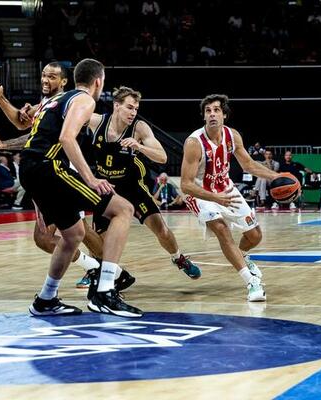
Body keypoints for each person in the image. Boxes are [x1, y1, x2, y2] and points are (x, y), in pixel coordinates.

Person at [0, 64, 124, 291]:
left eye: (52, 76)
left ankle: (108, 273)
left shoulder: (73, 100)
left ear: (65, 81)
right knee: (48, 237)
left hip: (62, 167)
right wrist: (0, 98)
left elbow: (62, 137)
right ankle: (103, 271)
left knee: (81, 229)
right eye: (44, 75)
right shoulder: (46, 103)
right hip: (46, 170)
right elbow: (25, 127)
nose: (45, 79)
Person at [20, 58, 141, 317]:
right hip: (47, 167)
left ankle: (45, 299)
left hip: (32, 169)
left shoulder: (56, 100)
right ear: (98, 81)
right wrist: (91, 179)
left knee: (74, 234)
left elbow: (30, 130)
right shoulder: (84, 99)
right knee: (123, 209)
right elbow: (66, 137)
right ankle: (105, 292)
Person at [85, 86, 201, 285]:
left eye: (136, 109)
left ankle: (178, 258)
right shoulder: (96, 121)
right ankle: (97, 270)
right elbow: (64, 115)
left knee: (162, 230)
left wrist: (139, 146)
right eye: (129, 107)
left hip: (133, 188)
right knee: (99, 241)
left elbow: (163, 157)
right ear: (116, 105)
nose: (133, 112)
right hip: (107, 189)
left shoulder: (139, 128)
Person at [181, 94, 281, 302]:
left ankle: (241, 256)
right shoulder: (194, 143)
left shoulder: (232, 135)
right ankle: (251, 282)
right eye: (208, 111)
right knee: (221, 229)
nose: (212, 114)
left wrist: (276, 177)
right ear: (203, 116)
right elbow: (186, 184)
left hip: (225, 188)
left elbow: (249, 165)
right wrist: (215, 198)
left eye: (216, 110)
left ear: (224, 115)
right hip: (200, 192)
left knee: (255, 236)